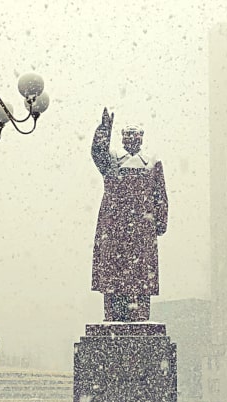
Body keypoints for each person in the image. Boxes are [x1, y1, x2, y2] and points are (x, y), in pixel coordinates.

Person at [91, 107, 168, 322]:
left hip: (142, 230)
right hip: (114, 228)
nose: (131, 138)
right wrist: (103, 132)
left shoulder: (152, 162)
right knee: (113, 278)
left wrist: (160, 222)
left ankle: (139, 315)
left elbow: (160, 194)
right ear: (122, 139)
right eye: (127, 135)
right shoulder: (112, 160)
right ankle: (113, 317)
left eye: (135, 135)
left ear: (141, 139)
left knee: (141, 278)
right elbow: (97, 154)